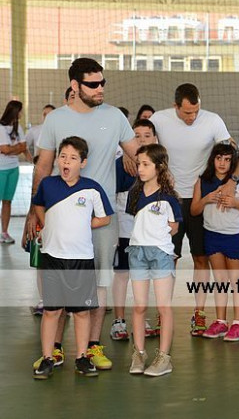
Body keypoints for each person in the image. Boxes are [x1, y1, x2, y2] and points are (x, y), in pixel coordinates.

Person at [27, 58, 138, 370]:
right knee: (59, 285)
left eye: (102, 82)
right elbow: (43, 167)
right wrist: (34, 212)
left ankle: (91, 348)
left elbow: (139, 154)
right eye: (93, 84)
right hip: (60, 219)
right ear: (75, 86)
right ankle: (55, 349)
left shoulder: (114, 117)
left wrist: (146, 165)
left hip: (101, 220)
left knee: (98, 284)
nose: (100, 88)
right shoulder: (55, 120)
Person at [149, 83, 239, 337]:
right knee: (169, 259)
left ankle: (199, 313)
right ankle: (163, 313)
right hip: (170, 200)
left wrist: (232, 181)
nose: (192, 117)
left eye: (196, 111)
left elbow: (232, 150)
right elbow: (144, 147)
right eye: (187, 112)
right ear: (175, 106)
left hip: (201, 199)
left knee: (201, 259)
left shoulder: (213, 120)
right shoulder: (159, 120)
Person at [32, 136, 113, 379]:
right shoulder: (48, 184)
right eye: (63, 156)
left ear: (83, 163)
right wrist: (47, 224)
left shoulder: (92, 188)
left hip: (81, 260)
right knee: (51, 311)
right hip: (52, 258)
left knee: (81, 312)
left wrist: (83, 225)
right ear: (57, 159)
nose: (66, 162)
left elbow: (105, 217)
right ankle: (47, 358)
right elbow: (38, 205)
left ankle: (81, 358)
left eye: (73, 158)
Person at [126, 144, 182, 376]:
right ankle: (139, 354)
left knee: (163, 307)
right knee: (139, 306)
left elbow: (174, 227)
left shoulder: (169, 198)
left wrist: (157, 237)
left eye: (145, 164)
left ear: (159, 167)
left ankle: (164, 358)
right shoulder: (134, 193)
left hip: (160, 254)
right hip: (137, 253)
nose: (140, 168)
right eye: (138, 164)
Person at [191, 143, 239, 341]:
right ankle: (221, 321)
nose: (222, 163)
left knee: (236, 281)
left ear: (232, 162)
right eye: (219, 158)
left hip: (234, 236)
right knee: (220, 281)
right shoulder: (202, 181)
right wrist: (206, 199)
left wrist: (236, 203)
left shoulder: (238, 182)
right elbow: (194, 210)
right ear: (213, 159)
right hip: (212, 235)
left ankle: (238, 324)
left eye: (227, 159)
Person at [110, 119, 159, 341]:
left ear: (155, 138)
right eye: (136, 136)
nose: (141, 140)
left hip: (148, 233)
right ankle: (119, 321)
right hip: (124, 231)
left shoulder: (160, 167)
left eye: (147, 136)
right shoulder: (121, 164)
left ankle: (142, 319)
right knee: (122, 274)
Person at [0, 100, 27, 244]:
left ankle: (4, 233)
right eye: (21, 110)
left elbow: (23, 147)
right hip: (1, 169)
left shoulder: (17, 127)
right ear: (15, 111)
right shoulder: (1, 127)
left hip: (13, 169)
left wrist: (12, 149)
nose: (22, 113)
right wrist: (16, 149)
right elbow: (4, 149)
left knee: (7, 201)